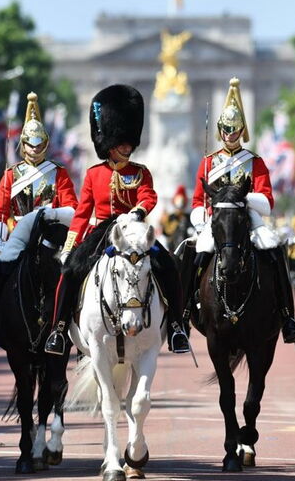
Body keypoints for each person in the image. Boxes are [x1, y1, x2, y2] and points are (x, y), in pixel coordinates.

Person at [43, 84, 191, 355]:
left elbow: (148, 196)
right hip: (101, 231)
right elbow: (82, 213)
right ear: (109, 144)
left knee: (169, 267)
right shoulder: (93, 174)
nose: (127, 146)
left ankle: (176, 327)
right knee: (70, 272)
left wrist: (138, 212)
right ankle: (59, 329)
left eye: (128, 142)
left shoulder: (141, 172)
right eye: (121, 142)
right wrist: (69, 247)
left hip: (134, 230)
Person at [183, 77, 295, 344]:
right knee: (195, 251)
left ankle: (287, 316)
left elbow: (266, 200)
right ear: (220, 130)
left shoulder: (254, 162)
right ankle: (183, 315)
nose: (230, 135)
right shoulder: (208, 162)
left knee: (274, 249)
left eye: (234, 130)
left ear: (241, 131)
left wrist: (242, 199)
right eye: (226, 130)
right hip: (217, 221)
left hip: (249, 220)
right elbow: (198, 200)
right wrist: (201, 219)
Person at [0, 92, 78, 358]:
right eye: (30, 144)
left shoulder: (58, 173)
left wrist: (50, 214)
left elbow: (72, 207)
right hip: (18, 238)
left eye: (39, 145)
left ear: (46, 144)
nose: (35, 149)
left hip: (51, 235)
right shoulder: (10, 175)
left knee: (74, 270)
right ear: (22, 145)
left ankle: (75, 328)